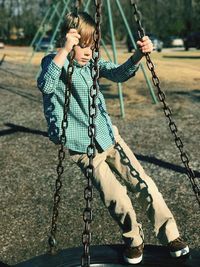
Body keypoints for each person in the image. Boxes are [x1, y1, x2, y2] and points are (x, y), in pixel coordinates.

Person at [37, 12, 189, 265]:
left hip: (109, 136)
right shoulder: (53, 62)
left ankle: (171, 235)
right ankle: (134, 239)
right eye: (82, 45)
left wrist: (139, 55)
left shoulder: (93, 63)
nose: (88, 52)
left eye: (92, 45)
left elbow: (119, 73)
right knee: (115, 196)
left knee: (143, 183)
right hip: (82, 147)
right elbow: (46, 85)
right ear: (69, 40)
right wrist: (65, 50)